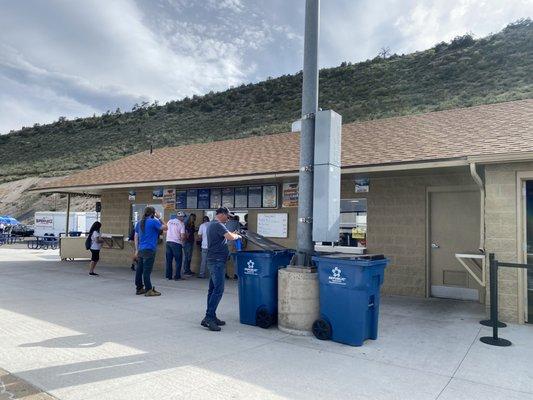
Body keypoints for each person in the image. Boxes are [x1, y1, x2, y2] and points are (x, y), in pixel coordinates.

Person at [201, 207, 241, 331]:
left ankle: (211, 316)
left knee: (212, 290)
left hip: (214, 260)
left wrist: (232, 234)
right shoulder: (218, 225)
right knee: (218, 290)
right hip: (217, 262)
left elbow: (225, 236)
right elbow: (229, 237)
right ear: (221, 214)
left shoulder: (212, 225)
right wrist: (237, 235)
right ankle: (208, 318)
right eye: (227, 215)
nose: (228, 218)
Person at [134, 206, 167, 296]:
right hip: (149, 249)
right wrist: (159, 217)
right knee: (146, 271)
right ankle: (149, 290)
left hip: (141, 249)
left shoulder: (139, 222)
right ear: (153, 213)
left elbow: (136, 236)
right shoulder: (153, 221)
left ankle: (139, 288)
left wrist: (136, 250)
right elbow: (166, 227)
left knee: (139, 270)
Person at [165, 211, 186, 280]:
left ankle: (168, 276)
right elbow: (182, 236)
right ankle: (177, 276)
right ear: (181, 217)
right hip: (176, 243)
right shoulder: (181, 224)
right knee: (178, 260)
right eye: (183, 217)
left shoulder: (169, 221)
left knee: (169, 260)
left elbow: (165, 230)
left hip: (168, 242)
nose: (184, 218)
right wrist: (183, 243)